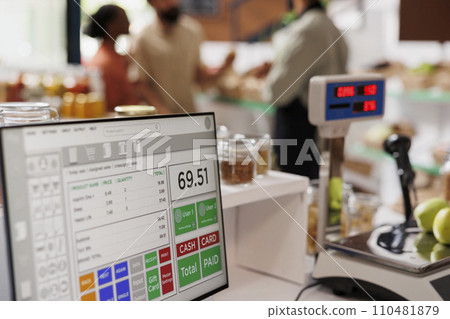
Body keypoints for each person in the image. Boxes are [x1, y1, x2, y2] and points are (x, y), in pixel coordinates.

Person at [263, 0, 348, 179]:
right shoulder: (332, 28)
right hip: (325, 132)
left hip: (300, 133)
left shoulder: (307, 29)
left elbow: (277, 91)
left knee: (295, 197)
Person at [129, 0, 234, 114]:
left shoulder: (193, 31)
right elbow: (140, 84)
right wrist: (163, 111)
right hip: (158, 119)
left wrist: (222, 69)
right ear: (152, 2)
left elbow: (198, 76)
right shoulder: (144, 38)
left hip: (188, 114)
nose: (172, 3)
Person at [84, 4, 139, 112]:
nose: (128, 22)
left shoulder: (114, 57)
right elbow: (112, 105)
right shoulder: (104, 63)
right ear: (111, 24)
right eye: (124, 18)